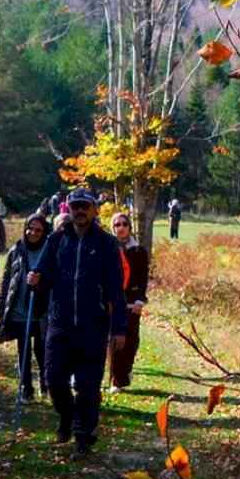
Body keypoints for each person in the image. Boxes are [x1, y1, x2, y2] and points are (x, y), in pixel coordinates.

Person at [26, 188, 127, 458]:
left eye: (84, 206)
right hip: (59, 323)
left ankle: (83, 437)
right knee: (53, 379)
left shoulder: (106, 244)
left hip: (92, 325)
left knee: (87, 385)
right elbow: (45, 274)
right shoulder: (57, 239)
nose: (79, 211)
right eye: (75, 207)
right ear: (68, 210)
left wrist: (119, 328)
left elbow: (116, 290)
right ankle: (67, 417)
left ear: (94, 210)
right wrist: (36, 278)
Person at [0, 213, 51, 403]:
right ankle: (26, 389)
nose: (33, 233)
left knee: (42, 349)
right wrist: (2, 305)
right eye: (30, 228)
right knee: (24, 350)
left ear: (44, 232)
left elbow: (56, 280)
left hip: (42, 310)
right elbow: (6, 280)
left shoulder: (49, 250)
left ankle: (46, 385)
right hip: (20, 309)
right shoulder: (16, 250)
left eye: (38, 230)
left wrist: (41, 281)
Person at [107, 212, 149, 393]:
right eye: (117, 225)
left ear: (129, 227)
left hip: (132, 301)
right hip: (113, 301)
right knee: (115, 340)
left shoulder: (139, 250)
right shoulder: (108, 248)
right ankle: (116, 380)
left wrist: (140, 300)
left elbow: (142, 278)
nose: (121, 227)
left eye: (124, 224)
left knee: (131, 340)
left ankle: (126, 370)